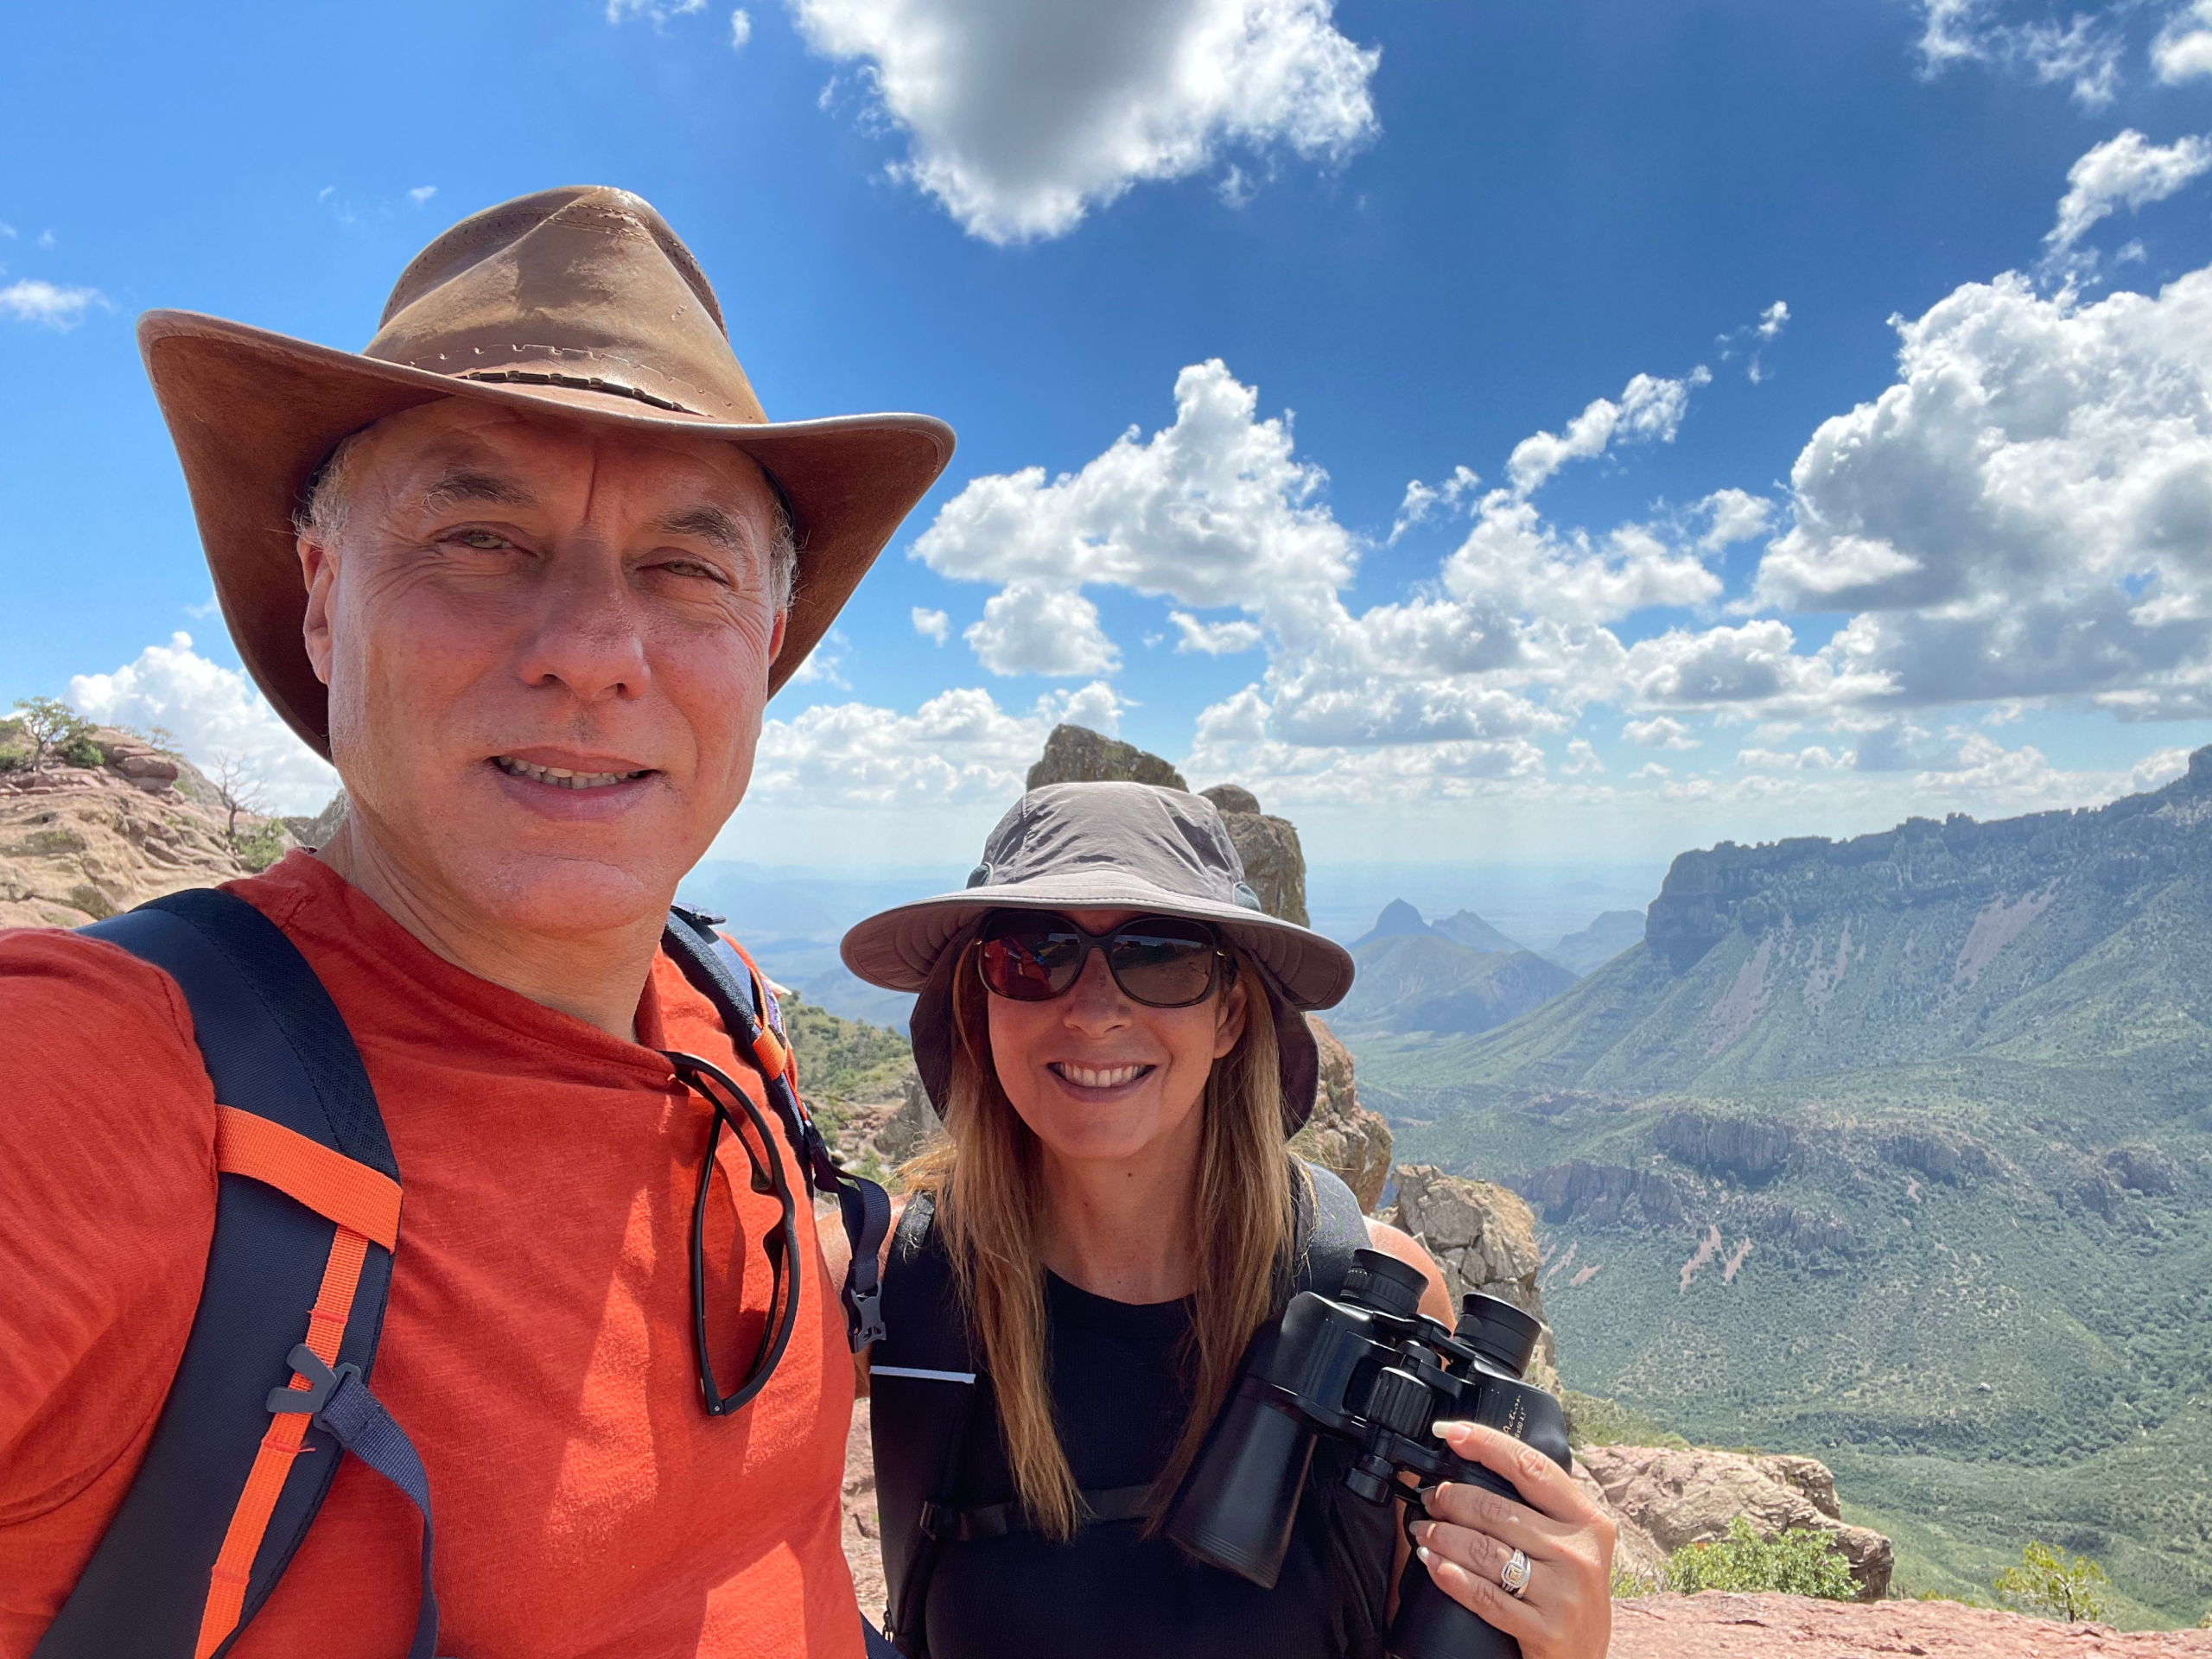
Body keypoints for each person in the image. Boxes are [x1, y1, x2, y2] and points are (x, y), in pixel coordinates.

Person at [0, 187, 951, 1657]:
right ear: (324, 601)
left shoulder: (729, 1011)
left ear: (764, 644)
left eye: (685, 567)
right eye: (479, 537)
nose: (592, 649)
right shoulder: (100, 1086)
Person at [834, 783, 1615, 1659]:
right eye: (1033, 956)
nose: (1094, 1011)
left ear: (1230, 1017)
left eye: (1161, 959)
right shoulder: (891, 1282)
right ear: (980, 1005)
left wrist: (1558, 1638)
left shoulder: (1368, 1299)